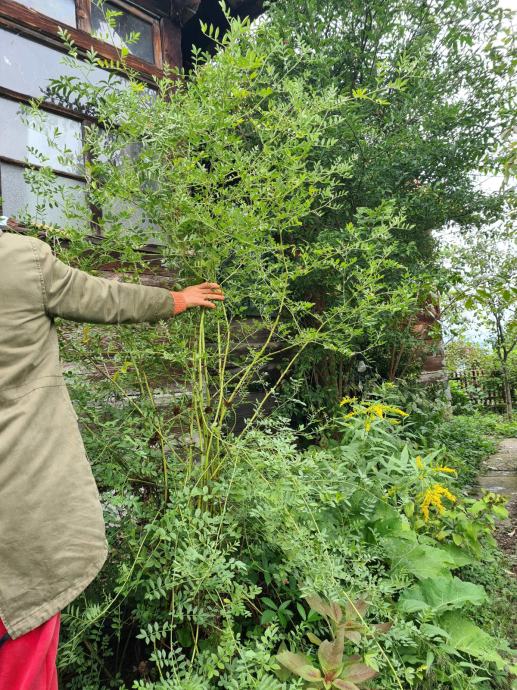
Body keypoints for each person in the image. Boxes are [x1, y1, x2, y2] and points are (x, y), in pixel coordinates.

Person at [0, 224, 224, 689]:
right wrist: (176, 299)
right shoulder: (19, 261)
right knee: (24, 655)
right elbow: (105, 298)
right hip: (18, 523)